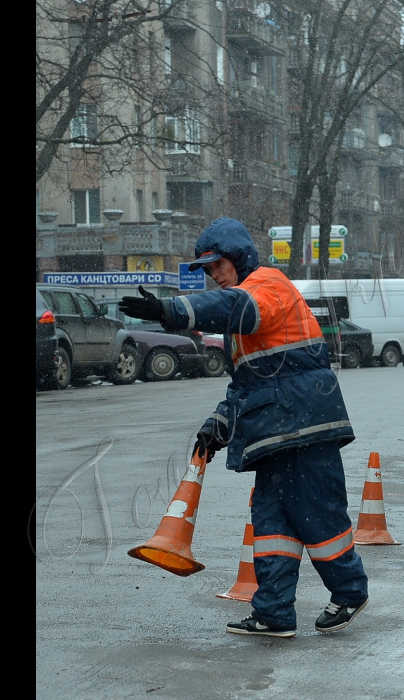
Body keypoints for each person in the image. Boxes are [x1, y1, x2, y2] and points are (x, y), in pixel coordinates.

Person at [119, 217, 368, 638]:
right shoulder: (246, 311)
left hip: (301, 426)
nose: (214, 275)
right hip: (279, 430)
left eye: (218, 265)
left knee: (317, 514)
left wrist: (172, 309)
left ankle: (349, 592)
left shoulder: (266, 286)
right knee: (271, 522)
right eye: (208, 269)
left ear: (239, 257)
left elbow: (237, 308)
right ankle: (273, 612)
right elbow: (248, 383)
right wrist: (217, 424)